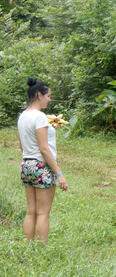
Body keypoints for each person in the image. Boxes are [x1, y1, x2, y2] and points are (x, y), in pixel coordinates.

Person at [17, 77, 68, 244]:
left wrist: (51, 130)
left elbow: (23, 144)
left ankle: (27, 246)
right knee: (43, 212)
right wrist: (59, 173)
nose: (50, 99)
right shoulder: (40, 117)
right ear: (39, 95)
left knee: (31, 211)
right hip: (41, 167)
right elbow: (44, 149)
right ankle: (40, 250)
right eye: (48, 96)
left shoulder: (23, 116)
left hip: (27, 165)